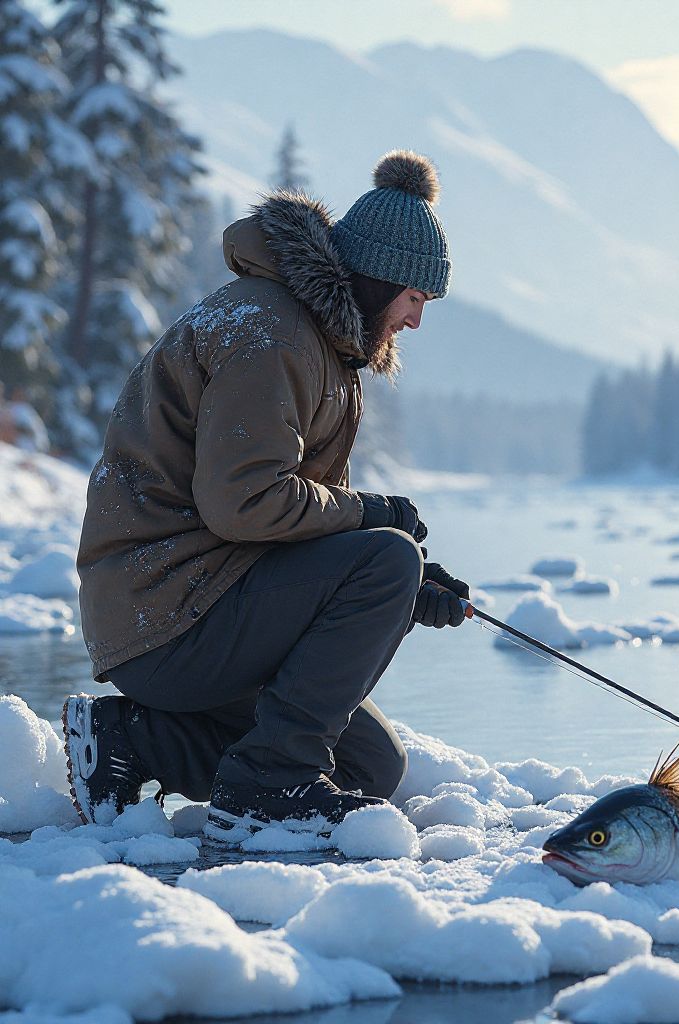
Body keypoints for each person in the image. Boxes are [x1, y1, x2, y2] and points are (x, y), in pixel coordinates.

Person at [64, 150, 471, 846]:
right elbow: (245, 503)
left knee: (369, 767)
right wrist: (374, 531)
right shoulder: (270, 332)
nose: (415, 322)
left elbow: (297, 515)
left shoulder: (317, 343)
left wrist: (406, 590)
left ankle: (134, 741)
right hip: (165, 612)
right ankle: (268, 789)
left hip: (202, 598)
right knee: (386, 560)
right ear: (382, 280)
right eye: (414, 299)